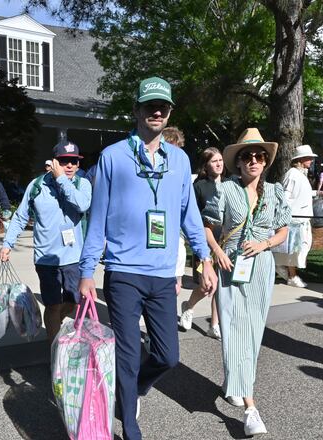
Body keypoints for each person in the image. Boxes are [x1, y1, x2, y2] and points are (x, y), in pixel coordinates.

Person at [78, 77, 218, 440]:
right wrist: (87, 270)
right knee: (126, 353)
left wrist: (203, 258)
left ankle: (132, 388)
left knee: (168, 355)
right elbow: (98, 217)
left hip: (161, 275)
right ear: (137, 110)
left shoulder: (179, 160)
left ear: (169, 112)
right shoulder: (113, 157)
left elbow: (189, 215)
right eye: (149, 106)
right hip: (123, 272)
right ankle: (130, 426)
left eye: (163, 107)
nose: (156, 111)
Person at [202, 128, 290, 436]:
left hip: (261, 268)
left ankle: (235, 382)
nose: (253, 160)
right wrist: (215, 254)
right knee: (233, 329)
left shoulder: (275, 191)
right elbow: (208, 228)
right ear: (237, 163)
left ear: (265, 162)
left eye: (259, 156)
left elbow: (283, 231)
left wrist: (265, 245)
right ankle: (251, 408)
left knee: (252, 332)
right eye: (247, 156)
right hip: (231, 265)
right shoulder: (225, 190)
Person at [0, 141, 91, 343]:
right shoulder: (37, 185)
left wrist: (61, 181)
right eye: (64, 161)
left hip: (73, 257)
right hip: (45, 258)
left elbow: (82, 205)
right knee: (52, 305)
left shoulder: (82, 184)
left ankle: (55, 323)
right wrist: (8, 243)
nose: (70, 165)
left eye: (74, 161)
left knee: (73, 301)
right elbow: (21, 216)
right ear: (54, 162)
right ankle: (55, 352)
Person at [180, 147, 225, 339]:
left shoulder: (230, 185)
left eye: (221, 160)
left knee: (221, 285)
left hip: (226, 241)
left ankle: (214, 325)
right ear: (206, 164)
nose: (219, 164)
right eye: (214, 161)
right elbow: (192, 217)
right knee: (207, 285)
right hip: (205, 243)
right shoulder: (199, 186)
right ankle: (189, 306)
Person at [275, 144, 323, 288]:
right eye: (308, 158)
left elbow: (301, 193)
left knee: (301, 247)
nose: (311, 160)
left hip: (302, 218)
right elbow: (286, 196)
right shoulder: (292, 174)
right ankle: (291, 274)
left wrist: (317, 193)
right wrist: (285, 216)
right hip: (294, 219)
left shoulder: (300, 174)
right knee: (294, 248)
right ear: (301, 159)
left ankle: (285, 269)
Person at [161, 126, 189, 295]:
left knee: (175, 286)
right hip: (155, 233)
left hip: (176, 234)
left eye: (177, 147)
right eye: (171, 146)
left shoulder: (181, 171)